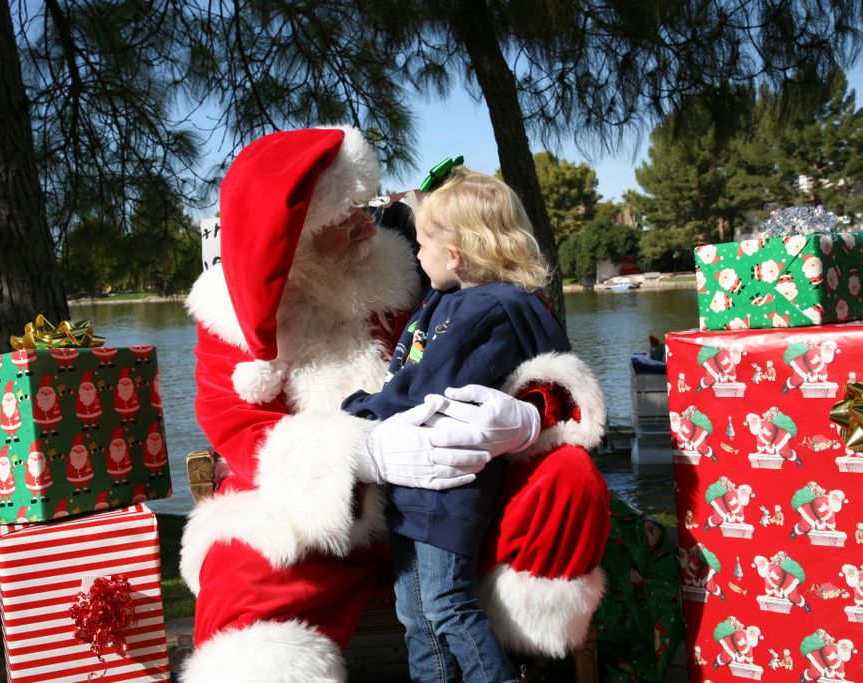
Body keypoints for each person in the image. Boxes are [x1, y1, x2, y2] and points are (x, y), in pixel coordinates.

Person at [180, 126, 610, 682]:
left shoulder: (411, 268)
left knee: (567, 477)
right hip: (329, 516)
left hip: (453, 489)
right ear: (293, 240)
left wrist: (526, 415)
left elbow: (500, 341)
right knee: (240, 569)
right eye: (344, 222)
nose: (366, 226)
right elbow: (239, 430)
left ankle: (531, 654)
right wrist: (366, 457)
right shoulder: (228, 319)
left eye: (363, 208)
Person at [342, 167, 566, 682]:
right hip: (413, 478)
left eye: (421, 244)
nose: (416, 255)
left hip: (450, 481)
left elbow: (432, 383)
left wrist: (362, 407)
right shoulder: (448, 299)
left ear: (456, 254)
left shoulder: (489, 311)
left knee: (447, 603)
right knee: (415, 613)